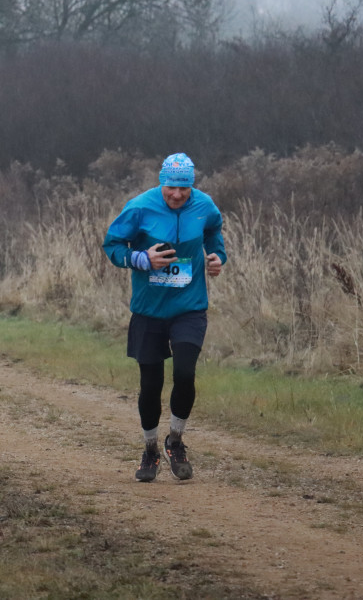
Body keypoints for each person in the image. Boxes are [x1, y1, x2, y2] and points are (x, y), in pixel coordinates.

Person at [102, 153, 227, 483]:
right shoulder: (140, 207)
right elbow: (112, 245)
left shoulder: (204, 205)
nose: (177, 195)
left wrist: (217, 256)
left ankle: (176, 440)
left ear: (192, 186)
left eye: (184, 189)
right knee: (150, 384)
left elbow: (214, 231)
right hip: (149, 310)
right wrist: (142, 259)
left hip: (189, 307)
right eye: (172, 187)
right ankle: (150, 449)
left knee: (185, 373)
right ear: (162, 183)